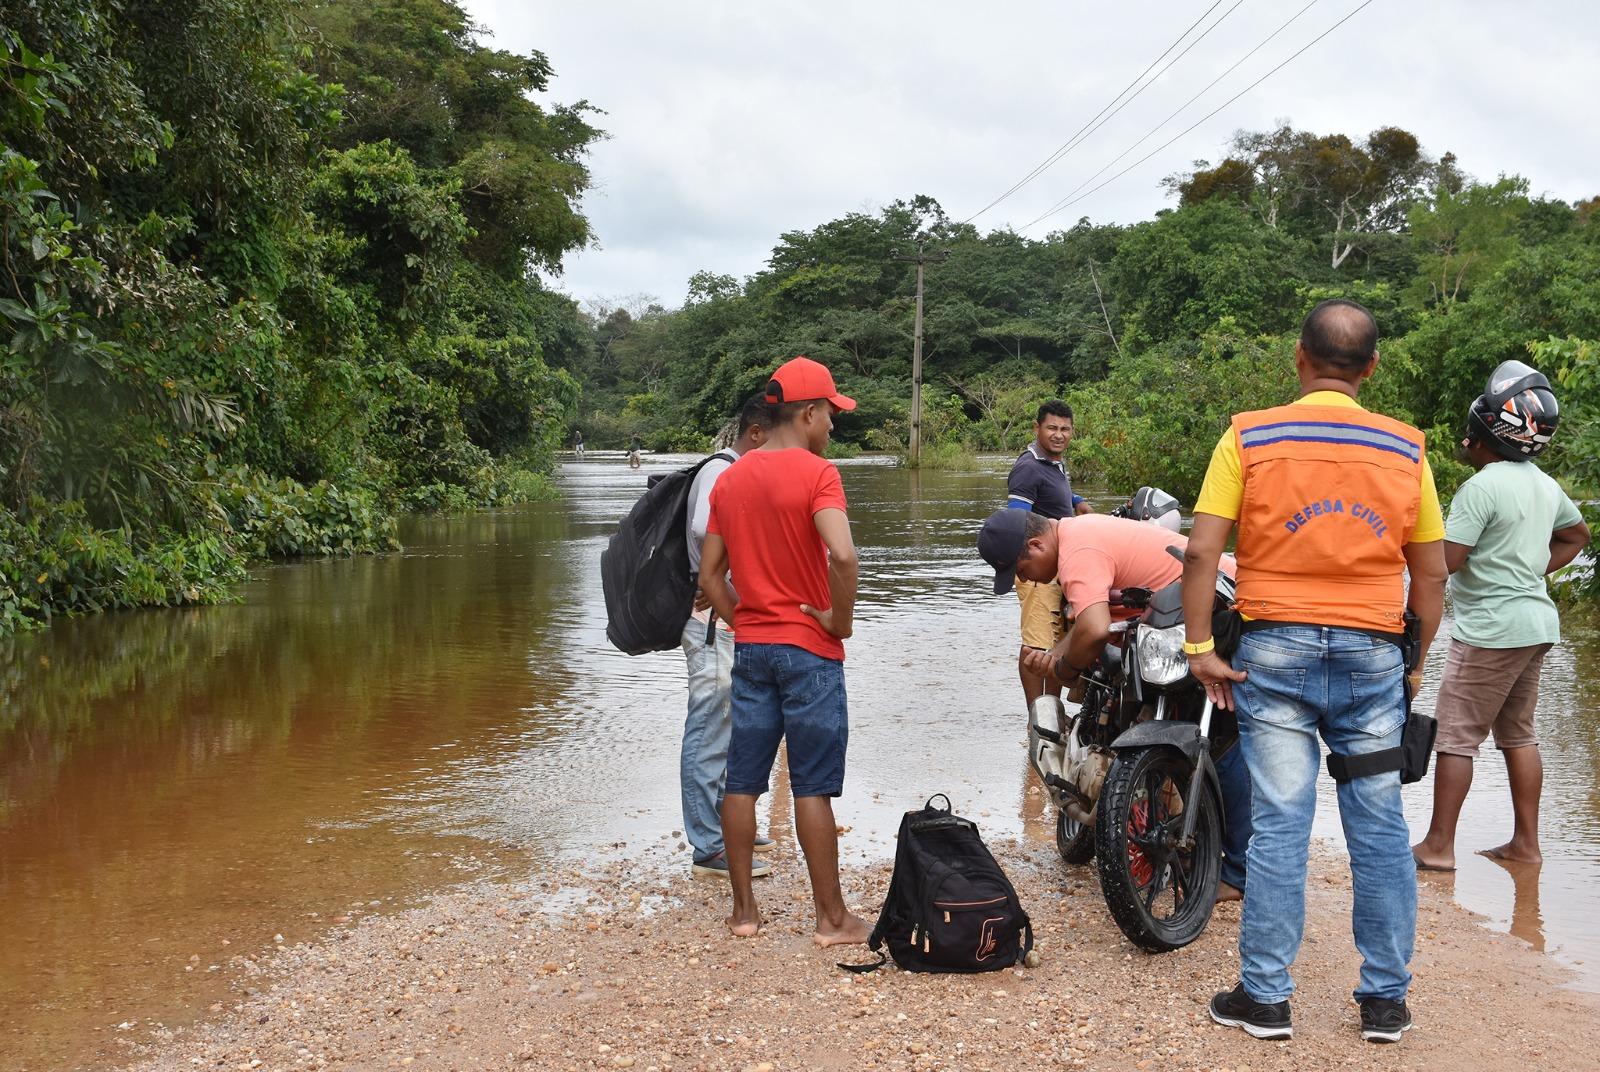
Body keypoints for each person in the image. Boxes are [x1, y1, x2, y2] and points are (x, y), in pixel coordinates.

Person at [1180, 299, 1448, 1045]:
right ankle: (1385, 1003)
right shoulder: (1406, 450)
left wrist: (1200, 648)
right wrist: (1415, 664)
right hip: (1373, 658)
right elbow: (1429, 576)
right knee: (1380, 827)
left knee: (1279, 824)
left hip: (1275, 654)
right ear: (1372, 368)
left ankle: (1266, 999)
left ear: (1298, 359)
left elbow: (1202, 553)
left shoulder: (1249, 435)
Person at [977, 509, 1250, 902]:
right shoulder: (1076, 535)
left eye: (1021, 568)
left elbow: (1093, 628)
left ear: (1037, 545)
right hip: (1182, 620)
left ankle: (1239, 872)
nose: (1024, 579)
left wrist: (1064, 666)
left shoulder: (1077, 551)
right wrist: (1058, 656)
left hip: (1227, 610)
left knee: (1220, 741)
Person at [699, 355, 869, 946]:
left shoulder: (732, 477)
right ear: (808, 412)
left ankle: (744, 913)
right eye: (831, 414)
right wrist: (837, 621)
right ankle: (831, 919)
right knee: (812, 784)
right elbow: (844, 557)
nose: (833, 426)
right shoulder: (819, 474)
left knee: (742, 781)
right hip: (810, 651)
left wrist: (743, 618)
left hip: (752, 651)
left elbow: (710, 575)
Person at [1412, 362, 1589, 872]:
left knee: (1456, 737)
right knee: (1519, 734)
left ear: (1485, 438)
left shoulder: (1482, 488)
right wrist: (1534, 571)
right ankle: (1526, 845)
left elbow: (1445, 563)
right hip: (1536, 625)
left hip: (1490, 630)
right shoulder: (1544, 484)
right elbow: (1577, 536)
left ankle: (1438, 846)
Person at [681, 396, 778, 879]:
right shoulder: (723, 473)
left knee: (730, 724)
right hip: (710, 623)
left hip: (722, 617)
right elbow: (704, 533)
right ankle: (708, 846)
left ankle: (723, 825)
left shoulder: (730, 471)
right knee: (709, 728)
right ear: (756, 434)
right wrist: (719, 583)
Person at [1006, 400, 1093, 709]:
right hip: (1038, 570)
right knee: (1036, 643)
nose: (1059, 435)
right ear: (1037, 428)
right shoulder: (1028, 468)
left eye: (1065, 429)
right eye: (1052, 428)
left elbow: (1054, 491)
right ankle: (1036, 717)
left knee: (1056, 643)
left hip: (1059, 565)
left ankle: (1051, 710)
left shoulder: (1052, 463)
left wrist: (1077, 501)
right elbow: (1018, 520)